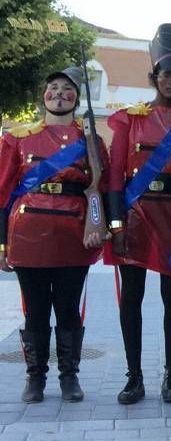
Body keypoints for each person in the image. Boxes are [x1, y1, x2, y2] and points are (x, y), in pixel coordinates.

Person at [106, 23, 171, 405]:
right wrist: (115, 224)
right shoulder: (130, 119)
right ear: (155, 77)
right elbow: (115, 175)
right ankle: (134, 375)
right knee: (131, 296)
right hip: (135, 215)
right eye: (168, 74)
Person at [0, 66, 109, 403]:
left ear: (77, 98)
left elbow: (98, 189)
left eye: (68, 89)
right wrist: (2, 243)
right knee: (34, 310)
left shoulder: (90, 142)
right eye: (54, 88)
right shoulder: (16, 138)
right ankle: (35, 379)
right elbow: (3, 193)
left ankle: (69, 377)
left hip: (73, 233)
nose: (60, 93)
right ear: (43, 96)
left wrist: (98, 225)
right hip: (28, 233)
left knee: (67, 308)